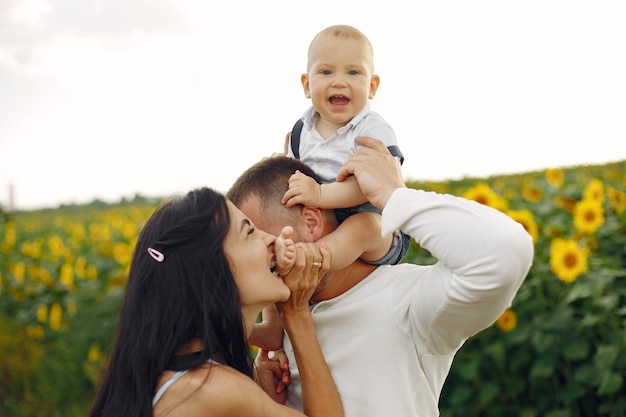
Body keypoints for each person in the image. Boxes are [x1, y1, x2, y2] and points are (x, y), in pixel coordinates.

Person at [227, 137, 534, 416]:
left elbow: (506, 251)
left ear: (310, 223)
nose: (263, 261)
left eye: (269, 244)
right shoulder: (280, 323)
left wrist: (394, 196)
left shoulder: (404, 301)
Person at [89, 187, 344, 417]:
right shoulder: (213, 388)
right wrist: (297, 313)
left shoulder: (174, 379)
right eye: (250, 231)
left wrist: (262, 397)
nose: (272, 240)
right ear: (211, 271)